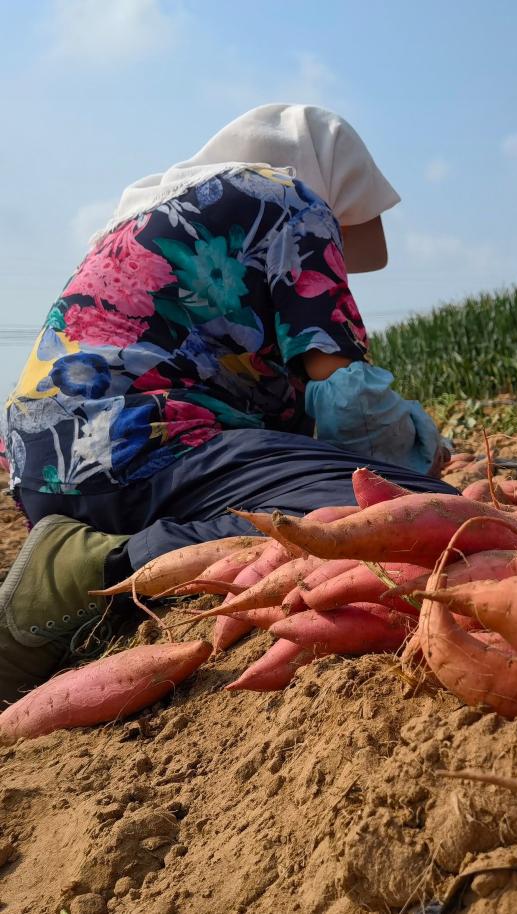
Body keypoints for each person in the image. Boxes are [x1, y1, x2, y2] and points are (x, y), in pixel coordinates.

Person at [0, 104, 455, 700]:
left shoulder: (163, 215)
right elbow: (352, 408)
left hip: (51, 469)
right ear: (337, 178)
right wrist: (412, 458)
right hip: (140, 448)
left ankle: (111, 563)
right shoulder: (288, 198)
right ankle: (88, 570)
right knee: (421, 515)